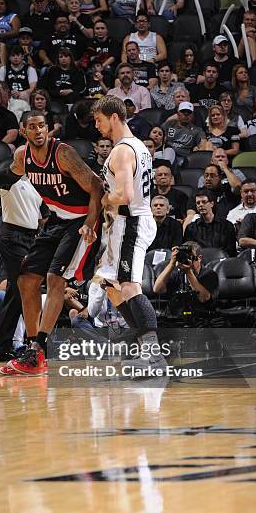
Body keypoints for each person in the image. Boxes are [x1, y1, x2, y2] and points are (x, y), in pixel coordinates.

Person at [0, 110, 103, 376]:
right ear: (23, 131)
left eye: (42, 126)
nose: (39, 131)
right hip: (57, 221)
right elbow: (9, 177)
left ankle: (37, 349)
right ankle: (34, 350)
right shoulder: (23, 156)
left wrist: (90, 222)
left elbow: (97, 186)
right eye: (32, 127)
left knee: (55, 279)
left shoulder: (63, 153)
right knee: (26, 280)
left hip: (80, 221)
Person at [93, 95, 169, 372]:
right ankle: (142, 344)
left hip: (131, 222)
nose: (97, 126)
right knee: (109, 285)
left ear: (114, 117)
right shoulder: (138, 146)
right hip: (127, 223)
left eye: (99, 120)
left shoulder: (124, 150)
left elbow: (124, 195)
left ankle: (154, 355)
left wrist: (104, 199)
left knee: (129, 286)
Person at [0, 176, 48, 361]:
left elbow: (43, 215)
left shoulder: (36, 184)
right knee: (25, 288)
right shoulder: (8, 180)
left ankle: (1, 347)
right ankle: (33, 343)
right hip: (12, 236)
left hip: (31, 238)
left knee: (16, 291)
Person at [153, 241, 219, 327]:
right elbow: (157, 289)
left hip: (200, 320)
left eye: (189, 256)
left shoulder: (210, 274)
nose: (186, 259)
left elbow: (204, 298)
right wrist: (172, 263)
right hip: (176, 318)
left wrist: (188, 272)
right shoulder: (177, 274)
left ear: (199, 258)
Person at [183, 189, 237, 256]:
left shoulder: (227, 226)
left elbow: (231, 250)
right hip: (200, 263)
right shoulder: (191, 228)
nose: (201, 205)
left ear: (212, 204)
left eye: (204, 202)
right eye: (198, 203)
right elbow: (189, 250)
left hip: (222, 262)